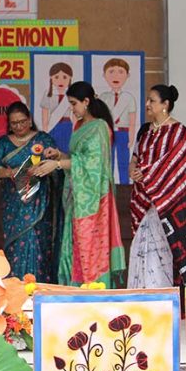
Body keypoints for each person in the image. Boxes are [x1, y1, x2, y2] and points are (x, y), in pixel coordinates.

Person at [34, 81, 125, 287]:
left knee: (90, 247)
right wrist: (59, 155)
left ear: (87, 101)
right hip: (78, 198)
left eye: (74, 104)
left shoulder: (100, 127)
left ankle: (94, 291)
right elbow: (77, 159)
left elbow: (92, 165)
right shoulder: (80, 126)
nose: (72, 109)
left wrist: (57, 164)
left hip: (95, 200)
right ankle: (76, 291)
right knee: (75, 246)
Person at [0, 101, 61, 282]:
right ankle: (16, 287)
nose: (19, 126)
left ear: (30, 120)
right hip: (13, 201)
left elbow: (55, 164)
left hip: (39, 201)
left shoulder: (43, 139)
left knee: (38, 241)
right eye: (14, 123)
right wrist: (9, 173)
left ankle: (39, 285)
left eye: (22, 121)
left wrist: (46, 165)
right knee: (16, 243)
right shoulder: (4, 142)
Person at [128, 84, 186, 290]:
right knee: (141, 247)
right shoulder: (145, 130)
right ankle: (142, 296)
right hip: (142, 199)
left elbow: (176, 167)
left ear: (165, 105)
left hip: (165, 203)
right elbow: (135, 158)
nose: (147, 104)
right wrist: (134, 170)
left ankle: (162, 298)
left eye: (152, 100)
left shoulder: (179, 132)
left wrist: (149, 174)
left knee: (161, 251)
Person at [98, 58, 137, 184]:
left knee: (123, 161)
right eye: (111, 72)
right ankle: (108, 185)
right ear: (104, 75)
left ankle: (125, 184)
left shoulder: (129, 98)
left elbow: (132, 120)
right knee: (108, 160)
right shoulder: (103, 97)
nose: (116, 76)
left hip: (122, 132)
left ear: (127, 75)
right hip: (107, 132)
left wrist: (131, 137)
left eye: (121, 72)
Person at [40, 62, 74, 153]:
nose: (60, 81)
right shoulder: (48, 94)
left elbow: (75, 115)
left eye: (65, 77)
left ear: (70, 79)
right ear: (51, 78)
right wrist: (45, 132)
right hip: (53, 127)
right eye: (56, 77)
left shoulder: (71, 96)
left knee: (67, 152)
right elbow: (45, 115)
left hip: (68, 126)